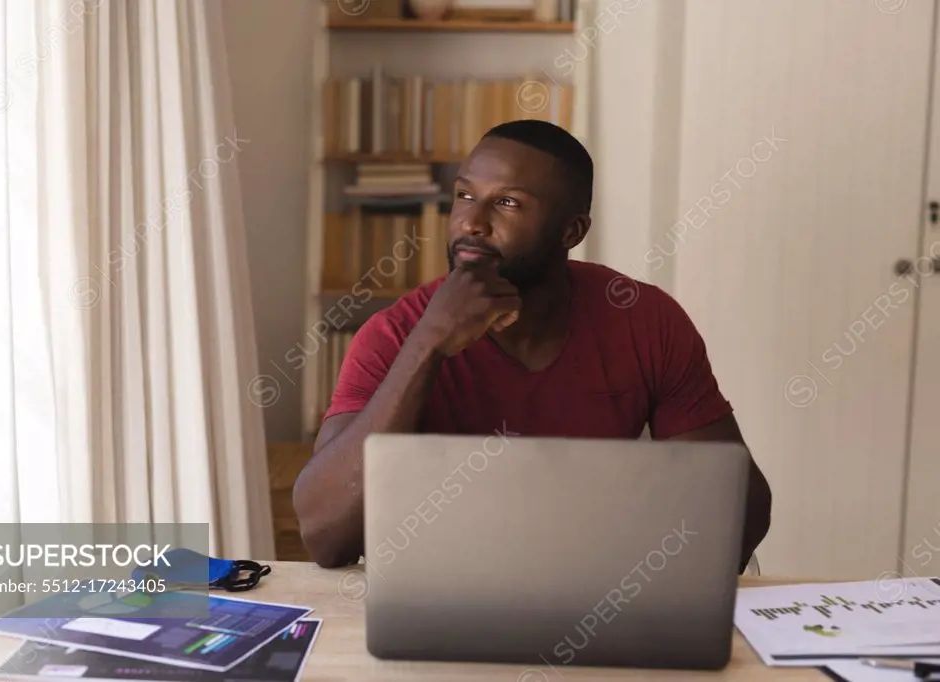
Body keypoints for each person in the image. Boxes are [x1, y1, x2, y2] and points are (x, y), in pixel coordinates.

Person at [292, 119, 772, 571]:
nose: (471, 223)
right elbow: (325, 537)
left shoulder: (644, 320)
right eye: (464, 195)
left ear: (572, 231)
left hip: (600, 591)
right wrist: (428, 344)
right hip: (439, 593)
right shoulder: (396, 333)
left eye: (507, 203)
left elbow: (738, 510)